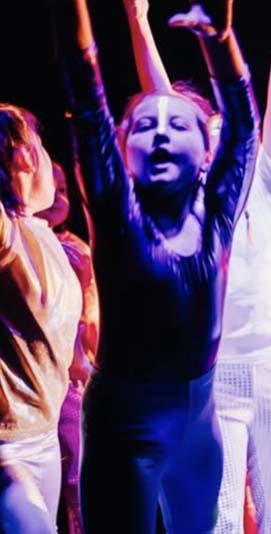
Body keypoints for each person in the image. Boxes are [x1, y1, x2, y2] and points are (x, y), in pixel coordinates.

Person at [51, 0, 260, 530]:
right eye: (145, 125)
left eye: (179, 125)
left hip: (199, 420)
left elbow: (244, 126)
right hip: (127, 422)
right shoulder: (115, 210)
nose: (162, 134)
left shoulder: (218, 213)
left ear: (207, 150)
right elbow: (86, 93)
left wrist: (220, 38)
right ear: (121, 149)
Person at [0, 103, 82, 533]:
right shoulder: (7, 232)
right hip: (7, 446)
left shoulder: (40, 233)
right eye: (41, 146)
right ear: (25, 156)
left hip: (44, 435)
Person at [35, 163, 99, 534]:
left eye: (64, 189)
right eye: (53, 186)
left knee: (79, 482)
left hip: (77, 379)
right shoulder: (26, 242)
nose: (59, 197)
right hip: (46, 381)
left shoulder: (77, 247)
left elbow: (91, 317)